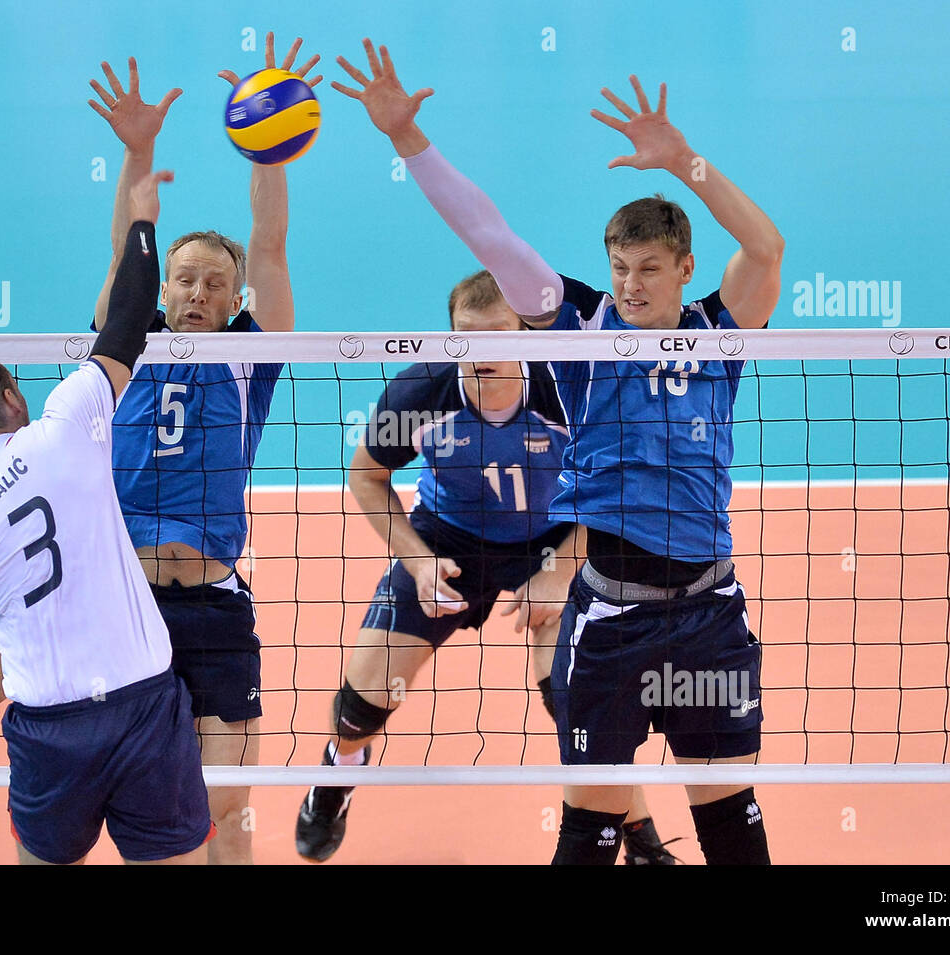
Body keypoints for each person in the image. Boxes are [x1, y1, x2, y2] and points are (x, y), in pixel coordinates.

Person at [334, 40, 784, 865]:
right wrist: (407, 140)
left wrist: (687, 162)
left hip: (711, 613)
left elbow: (766, 249)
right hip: (611, 616)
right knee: (589, 833)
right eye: (620, 269)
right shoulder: (577, 332)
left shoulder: (720, 334)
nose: (633, 284)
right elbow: (489, 232)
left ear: (685, 268)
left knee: (730, 823)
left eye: (651, 268)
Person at [295, 270, 676, 865]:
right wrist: (417, 562)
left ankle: (643, 841)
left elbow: (618, 483)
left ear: (525, 332)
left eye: (498, 337)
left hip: (555, 537)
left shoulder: (564, 386)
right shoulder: (422, 392)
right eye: (467, 341)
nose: (481, 356)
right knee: (363, 701)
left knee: (573, 701)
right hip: (448, 539)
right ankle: (339, 773)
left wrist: (558, 569)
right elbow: (367, 477)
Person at [0, 168, 210, 865]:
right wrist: (142, 218)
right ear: (13, 398)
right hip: (144, 709)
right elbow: (130, 318)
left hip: (49, 732)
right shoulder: (65, 424)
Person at [85, 37, 317, 864]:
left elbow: (273, 244)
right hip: (121, 607)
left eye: (217, 283)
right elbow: (124, 255)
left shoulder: (250, 362)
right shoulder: (124, 349)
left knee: (227, 808)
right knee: (146, 808)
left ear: (233, 299)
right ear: (165, 285)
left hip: (215, 606)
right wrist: (138, 151)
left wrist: (269, 145)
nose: (198, 292)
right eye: (184, 277)